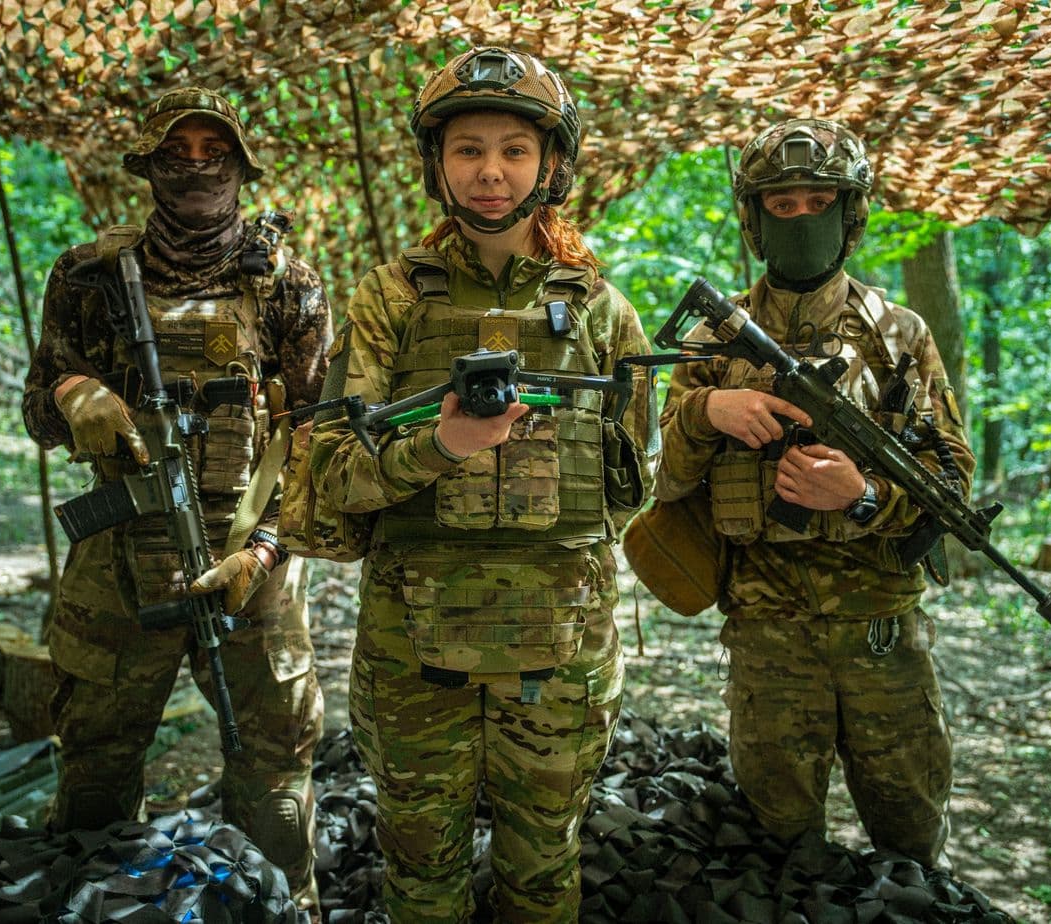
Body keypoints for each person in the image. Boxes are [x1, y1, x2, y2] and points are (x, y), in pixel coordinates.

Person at [307, 46, 657, 923]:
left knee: (542, 869)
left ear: (551, 164)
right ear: (437, 163)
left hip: (560, 648)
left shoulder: (602, 310)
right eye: (468, 149)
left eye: (514, 149)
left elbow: (632, 487)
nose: (491, 172)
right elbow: (335, 474)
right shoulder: (388, 300)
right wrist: (442, 445)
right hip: (413, 648)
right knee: (421, 872)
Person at [21, 86, 331, 917]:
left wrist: (263, 549)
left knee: (275, 787)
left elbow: (317, 441)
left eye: (213, 152)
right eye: (176, 153)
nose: (196, 167)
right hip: (120, 551)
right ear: (149, 166)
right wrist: (74, 394)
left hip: (251, 563)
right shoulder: (87, 276)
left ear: (241, 166)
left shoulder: (288, 286)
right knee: (93, 775)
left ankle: (280, 909)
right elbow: (36, 409)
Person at [653, 118, 975, 867]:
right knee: (777, 849)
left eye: (819, 201)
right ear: (755, 218)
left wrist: (862, 495)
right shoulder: (712, 342)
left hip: (881, 633)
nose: (801, 217)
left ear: (850, 213)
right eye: (782, 203)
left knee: (912, 843)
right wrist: (708, 411)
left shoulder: (897, 336)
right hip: (766, 637)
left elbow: (954, 484)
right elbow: (662, 481)